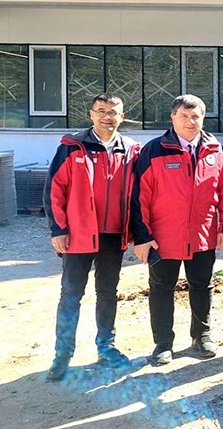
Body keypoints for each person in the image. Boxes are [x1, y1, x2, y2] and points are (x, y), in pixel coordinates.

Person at [43, 93, 141, 381]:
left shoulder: (132, 151)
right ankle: (62, 355)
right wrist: (58, 229)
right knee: (71, 295)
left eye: (113, 112)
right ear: (91, 114)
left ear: (122, 117)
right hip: (78, 234)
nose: (107, 116)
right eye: (101, 111)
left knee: (108, 293)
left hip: (113, 235)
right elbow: (54, 191)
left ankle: (106, 348)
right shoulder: (72, 147)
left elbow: (140, 193)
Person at [131, 94, 223, 365]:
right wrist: (142, 236)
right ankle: (163, 343)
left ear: (203, 117)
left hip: (203, 235)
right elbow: (139, 195)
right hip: (164, 238)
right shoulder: (154, 150)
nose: (190, 121)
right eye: (184, 116)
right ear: (173, 118)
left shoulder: (214, 149)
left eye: (195, 116)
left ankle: (202, 336)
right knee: (162, 287)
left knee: (202, 285)